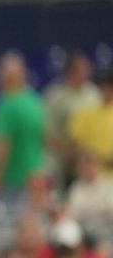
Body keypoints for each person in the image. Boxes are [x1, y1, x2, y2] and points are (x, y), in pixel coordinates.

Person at [0, 51, 46, 207]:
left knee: (13, 227)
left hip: (13, 180)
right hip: (35, 176)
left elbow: (2, 144)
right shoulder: (34, 101)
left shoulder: (4, 105)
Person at [42, 51, 100, 189]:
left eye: (87, 68)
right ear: (70, 71)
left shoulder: (94, 94)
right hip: (59, 154)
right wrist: (64, 151)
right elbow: (45, 130)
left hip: (88, 153)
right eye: (82, 69)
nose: (87, 72)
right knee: (48, 166)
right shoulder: (54, 96)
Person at [68, 70, 113, 175]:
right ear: (101, 88)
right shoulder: (85, 111)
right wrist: (97, 157)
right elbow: (76, 143)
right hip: (92, 174)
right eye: (107, 87)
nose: (109, 91)